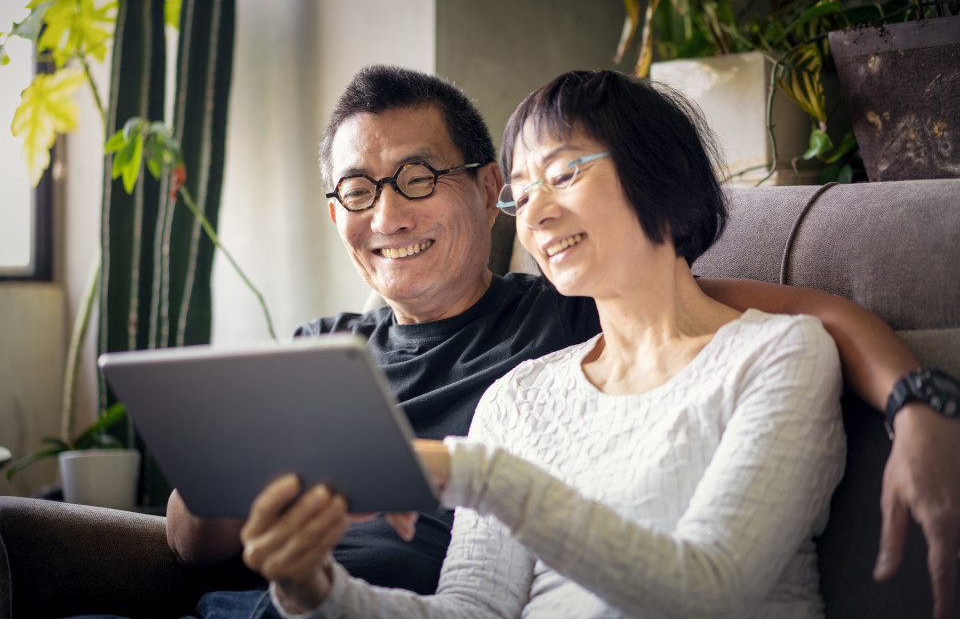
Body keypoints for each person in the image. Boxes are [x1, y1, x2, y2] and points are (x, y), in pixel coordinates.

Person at [167, 65, 960, 618]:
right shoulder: (512, 394)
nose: (536, 213)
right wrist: (309, 590)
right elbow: (469, 610)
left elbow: (802, 316)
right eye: (526, 189)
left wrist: (920, 406)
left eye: (565, 173)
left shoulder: (611, 321)